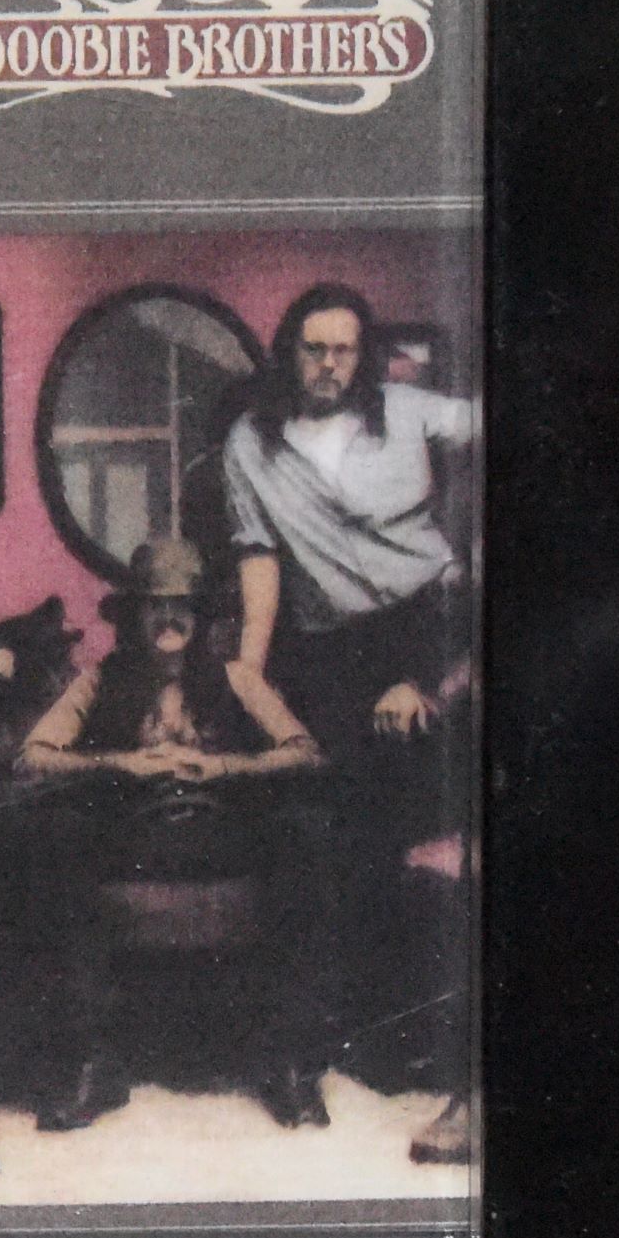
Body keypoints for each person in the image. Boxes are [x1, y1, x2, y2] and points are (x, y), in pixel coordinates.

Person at [220, 285, 477, 1154]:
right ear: (288, 351)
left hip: (432, 622)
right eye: (313, 348)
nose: (329, 365)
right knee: (312, 823)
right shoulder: (250, 443)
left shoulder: (409, 411)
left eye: (344, 350)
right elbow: (259, 562)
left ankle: (418, 1049)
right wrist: (249, 677)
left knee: (401, 813)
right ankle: (296, 1059)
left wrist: (426, 677)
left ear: (363, 356)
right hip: (331, 649)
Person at [13, 537, 336, 1123]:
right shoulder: (100, 680)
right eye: (154, 605)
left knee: (303, 830)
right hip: (132, 836)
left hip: (222, 831)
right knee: (57, 833)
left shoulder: (236, 677)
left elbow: (306, 752)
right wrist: (121, 764)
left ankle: (286, 1061)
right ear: (133, 616)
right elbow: (32, 755)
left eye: (182, 605)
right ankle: (93, 1062)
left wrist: (226, 767)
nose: (169, 618)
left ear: (201, 614)